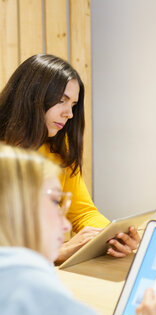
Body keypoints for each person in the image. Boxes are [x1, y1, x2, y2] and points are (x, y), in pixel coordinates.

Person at [0, 143, 156, 315]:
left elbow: (84, 211)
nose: (65, 225)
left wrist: (107, 235)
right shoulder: (35, 294)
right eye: (56, 202)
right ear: (15, 211)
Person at [0, 54, 139, 264]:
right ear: (31, 96)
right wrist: (58, 252)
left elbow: (83, 213)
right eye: (61, 100)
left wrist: (111, 237)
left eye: (73, 104)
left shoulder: (59, 150)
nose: (69, 114)